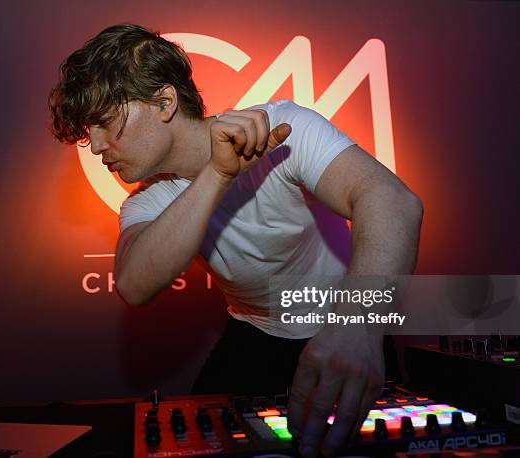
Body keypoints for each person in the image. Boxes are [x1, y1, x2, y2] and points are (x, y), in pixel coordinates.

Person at [48, 23, 423, 457]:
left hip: (346, 326)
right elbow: (134, 284)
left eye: (104, 122)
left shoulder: (283, 127)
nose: (94, 146)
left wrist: (358, 329)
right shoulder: (144, 203)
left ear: (164, 102)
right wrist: (217, 173)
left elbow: (393, 201)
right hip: (252, 337)